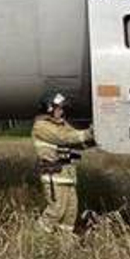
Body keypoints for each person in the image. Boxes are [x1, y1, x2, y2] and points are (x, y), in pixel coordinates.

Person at [32, 92, 96, 232]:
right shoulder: (41, 126)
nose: (61, 111)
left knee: (70, 212)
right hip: (54, 176)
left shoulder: (61, 124)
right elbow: (65, 137)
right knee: (56, 211)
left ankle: (64, 241)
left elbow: (76, 142)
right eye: (59, 108)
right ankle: (37, 238)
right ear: (49, 109)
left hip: (67, 175)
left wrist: (95, 139)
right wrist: (90, 132)